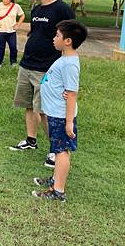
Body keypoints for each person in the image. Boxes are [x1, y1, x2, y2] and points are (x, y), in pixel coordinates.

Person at [10, 0, 76, 169]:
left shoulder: (62, 10)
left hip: (46, 69)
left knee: (46, 111)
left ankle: (55, 150)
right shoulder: (37, 10)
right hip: (27, 64)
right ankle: (31, 140)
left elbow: (72, 38)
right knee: (29, 105)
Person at [31, 20, 87, 202]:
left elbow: (72, 94)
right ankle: (56, 179)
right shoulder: (65, 58)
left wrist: (69, 122)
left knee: (61, 150)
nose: (54, 39)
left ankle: (58, 191)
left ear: (68, 41)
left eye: (57, 36)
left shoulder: (69, 63)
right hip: (56, 112)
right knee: (57, 149)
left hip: (61, 115)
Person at [0, 0, 25, 68]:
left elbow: (22, 16)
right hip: (0, 31)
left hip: (11, 31)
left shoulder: (16, 6)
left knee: (13, 47)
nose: (4, 0)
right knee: (1, 48)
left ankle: (13, 62)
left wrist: (18, 25)